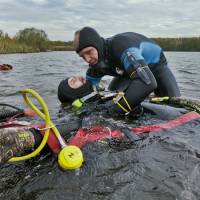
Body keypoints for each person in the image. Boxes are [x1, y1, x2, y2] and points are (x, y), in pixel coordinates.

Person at [72, 27, 181, 115]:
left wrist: (112, 112)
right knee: (111, 96)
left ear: (97, 45)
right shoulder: (94, 67)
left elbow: (147, 83)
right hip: (127, 73)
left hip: (156, 66)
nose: (87, 59)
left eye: (89, 52)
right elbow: (86, 92)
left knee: (176, 109)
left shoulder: (120, 46)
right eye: (82, 56)